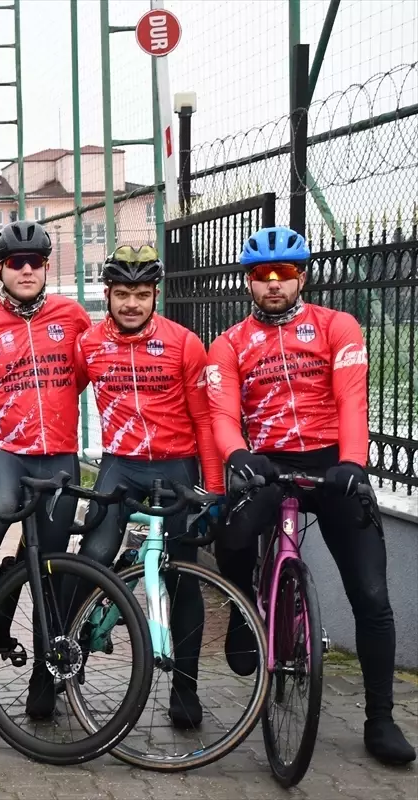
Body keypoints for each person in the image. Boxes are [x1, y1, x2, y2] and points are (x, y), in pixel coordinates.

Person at [207, 226, 414, 765]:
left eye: (285, 273)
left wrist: (353, 462)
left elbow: (351, 398)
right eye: (262, 274)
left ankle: (381, 718)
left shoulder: (336, 326)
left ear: (302, 276)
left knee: (372, 595)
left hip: (332, 463)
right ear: (249, 282)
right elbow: (223, 413)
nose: (274, 283)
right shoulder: (229, 343)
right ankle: (243, 611)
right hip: (268, 462)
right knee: (232, 537)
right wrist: (237, 455)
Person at [0, 219, 91, 719]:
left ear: (46, 267)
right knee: (0, 507)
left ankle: (45, 677)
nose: (25, 270)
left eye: (35, 262)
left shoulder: (73, 317)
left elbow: (84, 374)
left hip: (59, 452)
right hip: (5, 449)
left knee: (51, 565)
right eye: (14, 262)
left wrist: (53, 403)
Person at [73, 244, 224, 729]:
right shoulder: (88, 344)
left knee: (182, 576)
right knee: (94, 556)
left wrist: (213, 487)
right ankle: (66, 659)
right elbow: (57, 394)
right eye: (122, 294)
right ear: (108, 295)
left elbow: (204, 419)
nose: (132, 304)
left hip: (176, 465)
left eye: (141, 294)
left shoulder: (185, 343)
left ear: (155, 295)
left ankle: (185, 688)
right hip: (120, 464)